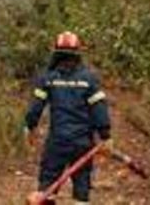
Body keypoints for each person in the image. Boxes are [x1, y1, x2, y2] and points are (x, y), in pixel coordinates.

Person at [24, 31, 112, 205]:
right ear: (78, 53)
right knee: (81, 186)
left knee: (48, 183)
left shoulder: (48, 78)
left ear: (55, 53)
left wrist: (29, 127)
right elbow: (99, 109)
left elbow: (35, 108)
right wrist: (106, 135)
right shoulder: (89, 78)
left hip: (57, 141)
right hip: (83, 143)